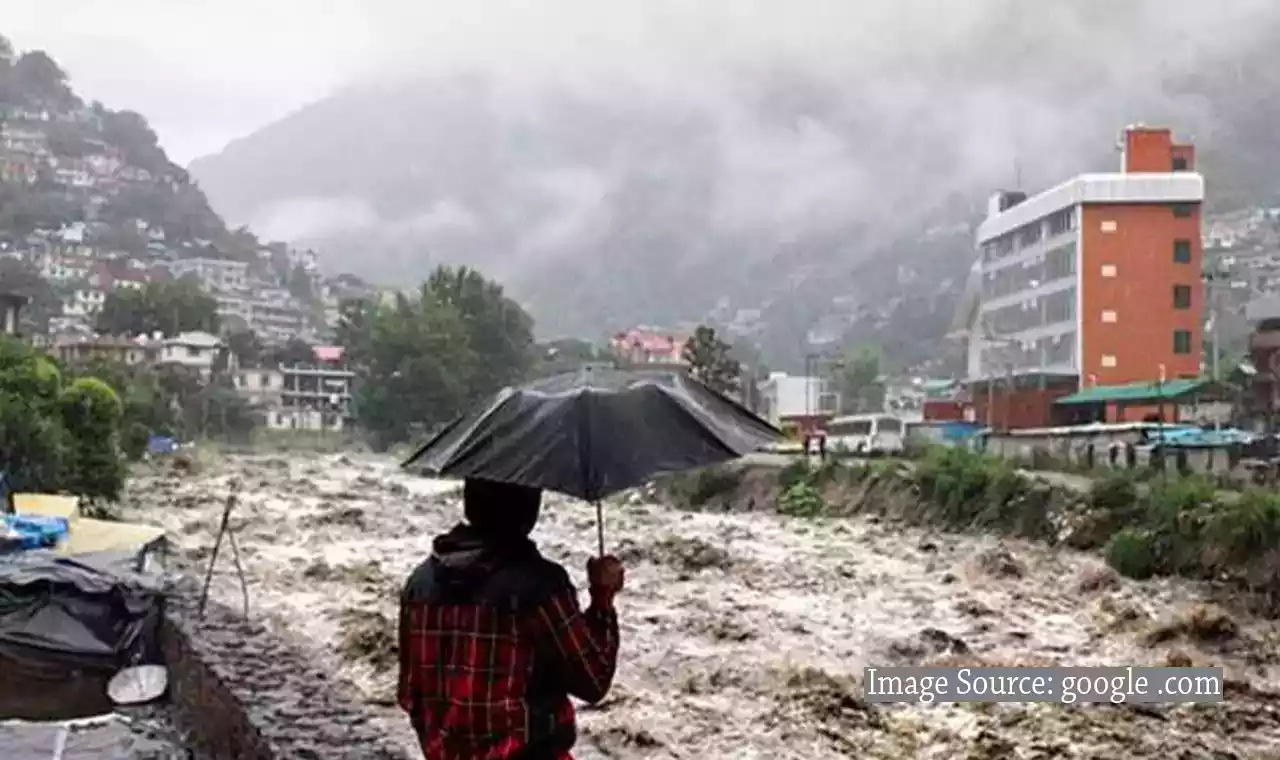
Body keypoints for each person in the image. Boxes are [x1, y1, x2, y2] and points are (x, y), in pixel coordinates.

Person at [398, 478, 625, 760]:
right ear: (529, 509)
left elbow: (409, 695)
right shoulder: (540, 587)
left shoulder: (419, 585)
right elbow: (593, 680)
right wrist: (602, 598)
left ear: (470, 502)